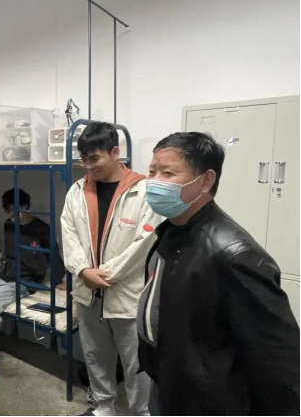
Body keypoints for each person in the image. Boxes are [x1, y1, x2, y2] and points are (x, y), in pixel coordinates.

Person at [139, 132, 301, 416]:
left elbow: (277, 359)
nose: (154, 182)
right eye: (152, 171)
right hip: (168, 383)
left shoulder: (236, 255)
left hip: (208, 401)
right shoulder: (171, 231)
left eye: (168, 173)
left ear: (205, 181)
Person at [61, 122, 161, 417]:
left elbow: (144, 243)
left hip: (127, 295)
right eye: (83, 159)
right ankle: (104, 407)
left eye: (95, 158)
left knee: (136, 364)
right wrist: (82, 271)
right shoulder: (77, 191)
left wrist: (103, 274)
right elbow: (68, 235)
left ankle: (141, 412)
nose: (88, 166)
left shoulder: (143, 191)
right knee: (95, 356)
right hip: (88, 292)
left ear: (115, 152)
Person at [0, 189, 65, 378]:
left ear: (26, 206)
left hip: (26, 278)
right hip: (5, 272)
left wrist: (58, 279)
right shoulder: (8, 225)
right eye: (8, 210)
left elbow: (54, 255)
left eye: (16, 209)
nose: (12, 214)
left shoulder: (42, 229)